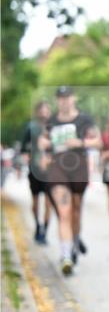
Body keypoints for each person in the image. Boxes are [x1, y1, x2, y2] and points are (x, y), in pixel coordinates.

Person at [38, 86, 101, 276]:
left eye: (67, 97)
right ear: (57, 100)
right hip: (58, 167)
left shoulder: (84, 119)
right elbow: (43, 141)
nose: (64, 101)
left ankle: (74, 241)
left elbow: (98, 142)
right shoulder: (52, 120)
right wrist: (45, 146)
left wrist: (81, 143)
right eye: (61, 98)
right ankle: (66, 256)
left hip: (78, 167)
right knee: (64, 212)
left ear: (74, 98)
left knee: (75, 211)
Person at [20, 101, 54, 245]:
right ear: (38, 112)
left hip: (50, 172)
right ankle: (37, 226)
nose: (44, 113)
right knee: (35, 203)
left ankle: (44, 232)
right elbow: (23, 150)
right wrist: (28, 160)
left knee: (48, 203)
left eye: (47, 110)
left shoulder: (54, 127)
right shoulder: (31, 127)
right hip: (34, 170)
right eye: (42, 110)